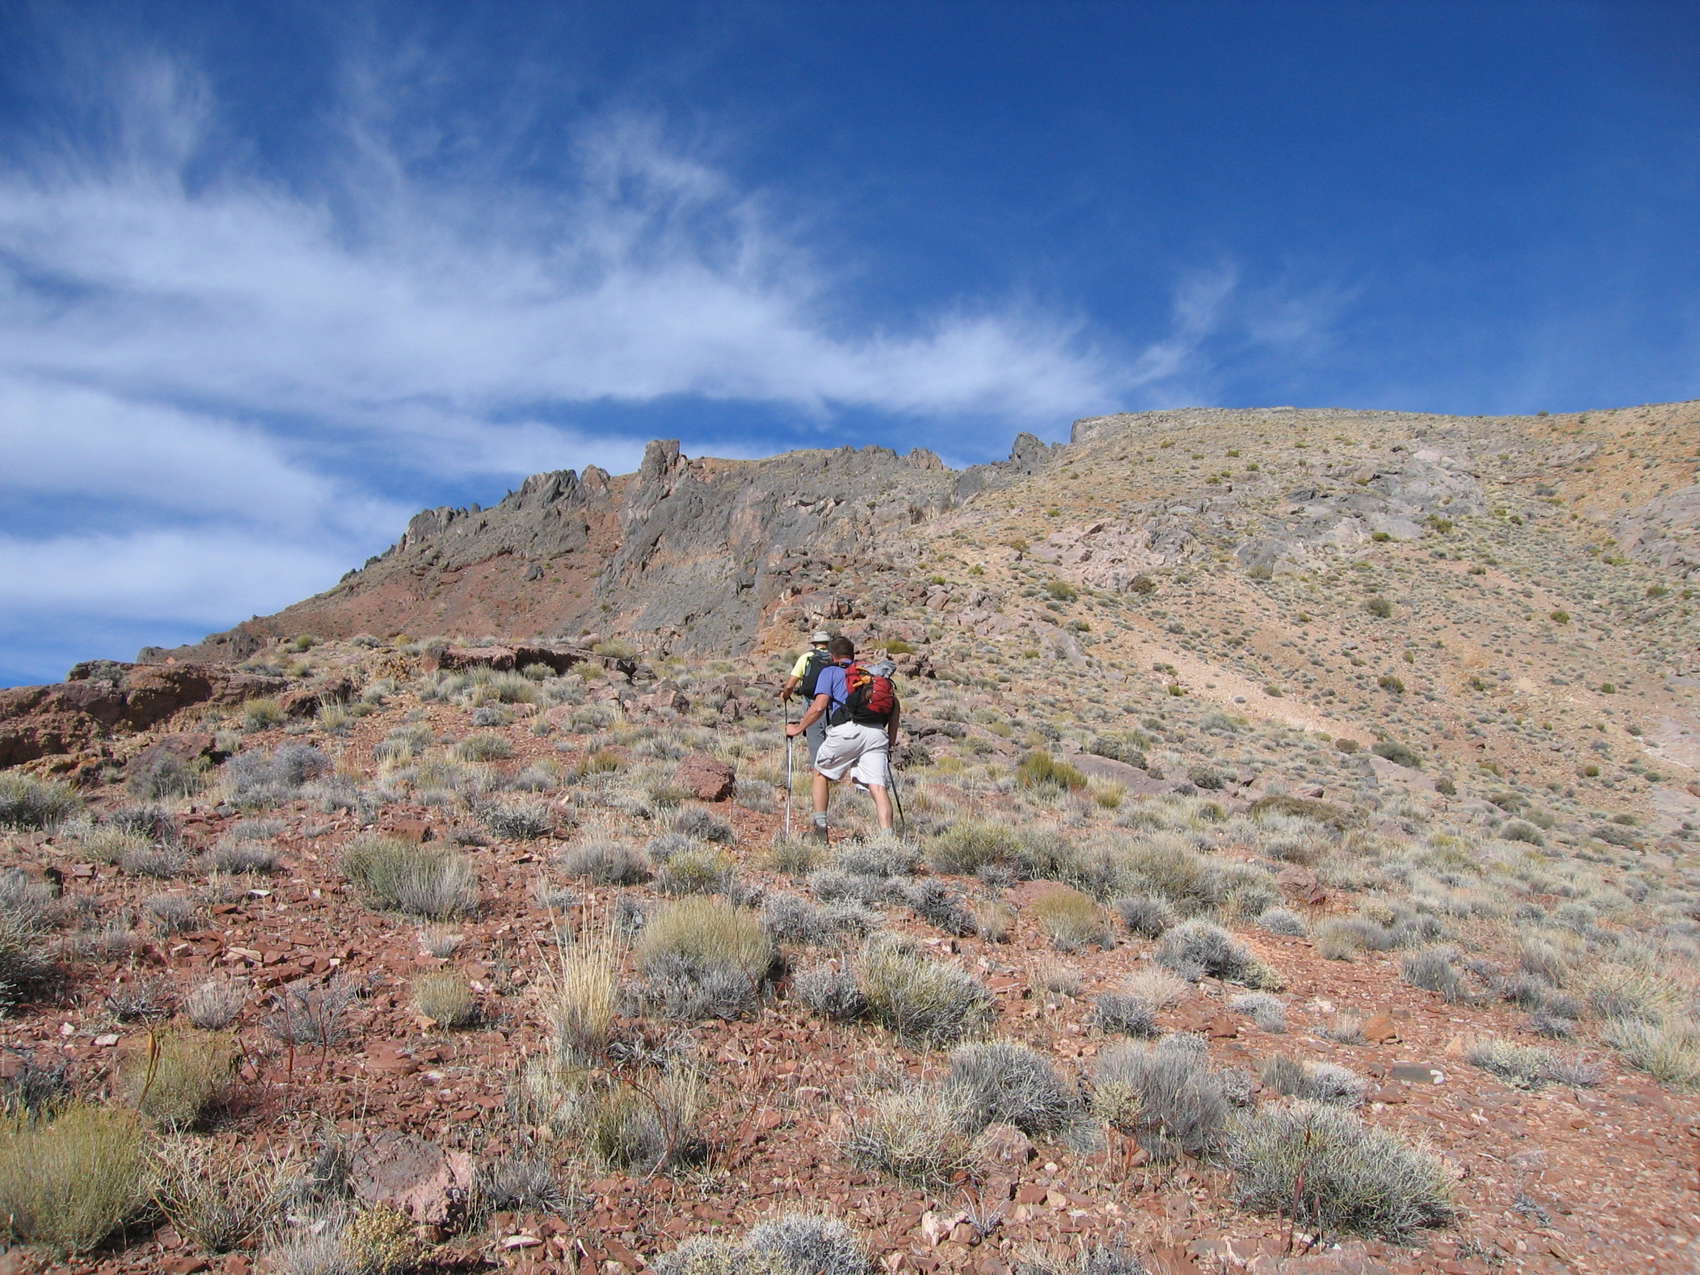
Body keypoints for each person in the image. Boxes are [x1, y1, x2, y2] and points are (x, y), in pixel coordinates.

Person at [786, 636, 900, 841]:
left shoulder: (830, 671)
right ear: (852, 655)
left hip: (849, 729)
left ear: (833, 656)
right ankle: (888, 840)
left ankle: (820, 833)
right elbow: (895, 709)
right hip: (877, 733)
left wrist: (798, 728)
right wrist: (889, 743)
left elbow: (819, 706)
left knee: (820, 774)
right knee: (878, 787)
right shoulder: (870, 674)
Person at [781, 629, 835, 764]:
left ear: (814, 643)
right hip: (834, 705)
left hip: (812, 704)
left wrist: (786, 695)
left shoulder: (806, 657)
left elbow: (790, 685)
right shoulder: (835, 657)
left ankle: (819, 772)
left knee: (816, 744)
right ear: (828, 643)